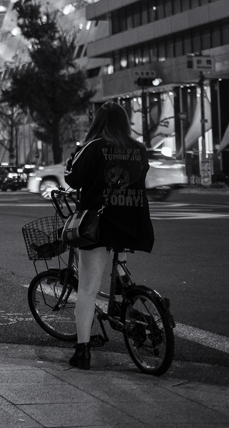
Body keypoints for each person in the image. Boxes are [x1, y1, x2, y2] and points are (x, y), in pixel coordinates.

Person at [65, 101, 153, 370]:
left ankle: (82, 351)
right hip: (133, 222)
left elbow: (72, 178)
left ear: (97, 122)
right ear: (125, 123)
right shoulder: (138, 148)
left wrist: (75, 155)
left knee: (88, 288)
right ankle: (127, 301)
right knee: (120, 267)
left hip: (99, 225)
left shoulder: (93, 147)